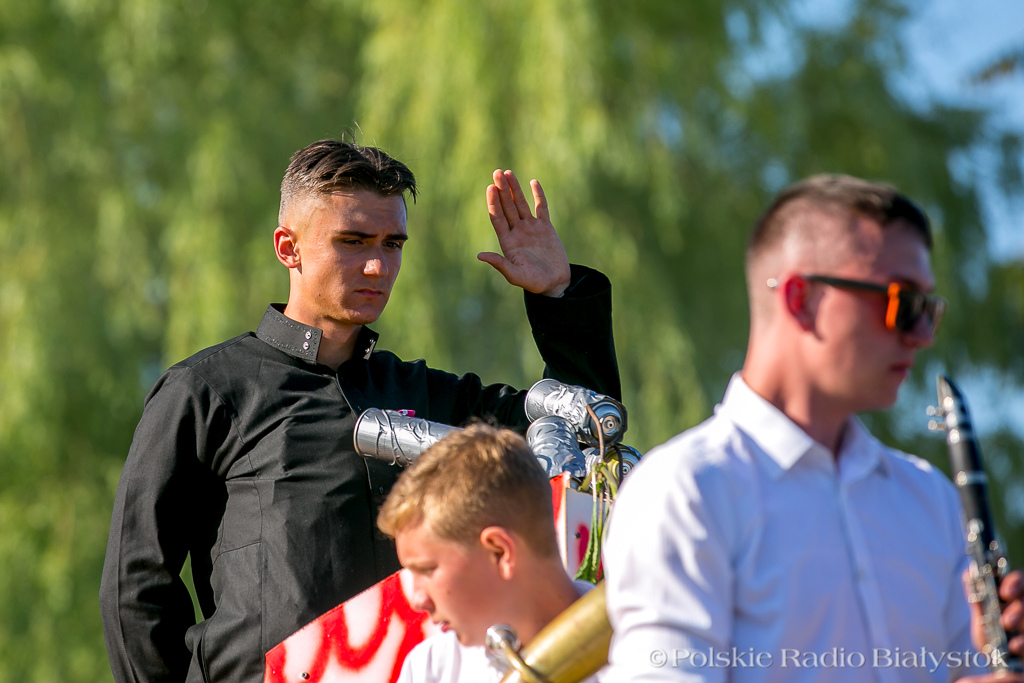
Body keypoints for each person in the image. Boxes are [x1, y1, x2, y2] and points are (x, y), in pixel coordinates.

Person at [99, 139, 620, 683]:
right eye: (352, 241)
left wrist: (558, 295)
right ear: (288, 247)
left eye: (392, 244)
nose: (378, 265)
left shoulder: (426, 392)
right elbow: (136, 585)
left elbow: (584, 434)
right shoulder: (204, 389)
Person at [602, 174, 1023, 683]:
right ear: (800, 299)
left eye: (929, 309)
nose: (922, 335)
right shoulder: (685, 490)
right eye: (903, 303)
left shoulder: (930, 499)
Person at [377, 423, 597, 683]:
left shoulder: (629, 652)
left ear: (499, 552)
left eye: (427, 570)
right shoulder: (430, 668)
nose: (417, 600)